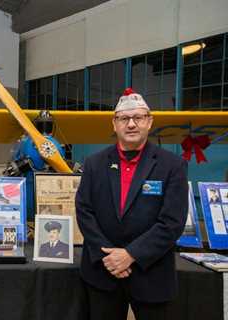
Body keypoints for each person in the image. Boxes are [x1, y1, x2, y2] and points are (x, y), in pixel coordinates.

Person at [75, 88, 188, 320]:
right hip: (102, 274)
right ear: (114, 124)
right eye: (124, 118)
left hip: (152, 274)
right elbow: (84, 211)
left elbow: (172, 222)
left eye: (138, 117)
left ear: (149, 121)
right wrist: (107, 256)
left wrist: (131, 254)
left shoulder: (172, 166)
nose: (131, 124)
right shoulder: (94, 164)